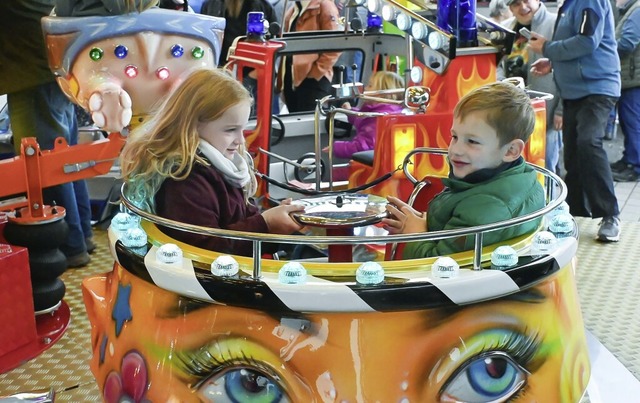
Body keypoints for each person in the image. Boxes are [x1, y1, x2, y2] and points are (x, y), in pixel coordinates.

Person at [119, 68, 303, 256]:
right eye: (230, 130)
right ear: (194, 125)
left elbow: (236, 217)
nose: (241, 140)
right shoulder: (185, 177)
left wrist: (277, 220)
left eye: (242, 129)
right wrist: (266, 224)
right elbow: (205, 248)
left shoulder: (218, 165)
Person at [382, 82, 545, 259]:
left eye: (472, 142)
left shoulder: (486, 207)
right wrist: (425, 222)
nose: (455, 150)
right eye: (455, 137)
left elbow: (439, 265)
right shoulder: (520, 178)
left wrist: (416, 233)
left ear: (510, 151)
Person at [0, 0, 95, 267]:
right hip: (53, 70)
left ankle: (67, 246)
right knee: (65, 159)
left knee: (43, 167)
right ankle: (81, 237)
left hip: (31, 74)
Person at [528, 0, 622, 242]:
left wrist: (547, 48)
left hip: (597, 88)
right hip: (573, 92)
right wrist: (553, 63)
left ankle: (610, 214)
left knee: (588, 143)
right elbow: (576, 44)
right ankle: (576, 215)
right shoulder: (569, 5)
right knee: (572, 156)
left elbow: (587, 41)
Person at [498, 0, 563, 175]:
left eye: (526, 0)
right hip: (512, 110)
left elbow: (568, 68)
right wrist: (502, 82)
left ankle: (549, 201)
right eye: (516, 4)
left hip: (546, 113)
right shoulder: (505, 28)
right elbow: (496, 64)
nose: (523, 7)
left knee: (546, 165)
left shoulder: (557, 24)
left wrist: (561, 110)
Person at [324, 71, 405, 161]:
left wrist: (336, 148)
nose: (366, 88)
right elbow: (363, 120)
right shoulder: (387, 110)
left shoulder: (380, 118)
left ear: (383, 93)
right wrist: (350, 111)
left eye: (370, 86)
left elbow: (364, 147)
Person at [281, 0, 341, 112]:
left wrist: (316, 72)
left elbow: (336, 44)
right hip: (292, 77)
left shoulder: (324, 5)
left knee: (310, 125)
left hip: (313, 79)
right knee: (294, 122)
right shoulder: (293, 9)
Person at [609, 0, 640, 182]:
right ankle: (628, 159)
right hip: (630, 77)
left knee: (633, 123)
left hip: (633, 79)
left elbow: (627, 43)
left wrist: (604, 47)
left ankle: (635, 165)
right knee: (630, 122)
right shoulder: (630, 9)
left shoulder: (637, 10)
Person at [200, 0, 278, 66]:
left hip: (252, 69)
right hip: (220, 68)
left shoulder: (264, 6)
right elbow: (204, 42)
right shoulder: (210, 5)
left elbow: (274, 45)